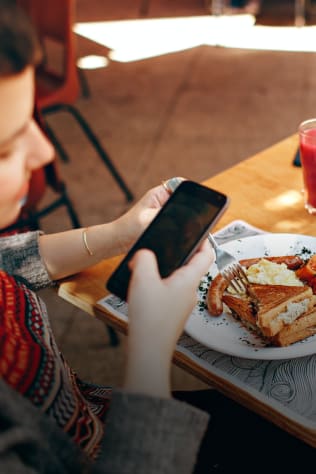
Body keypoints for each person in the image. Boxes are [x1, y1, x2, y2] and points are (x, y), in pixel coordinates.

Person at [0, 2, 213, 472]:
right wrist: (153, 345)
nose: (45, 150)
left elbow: (3, 261)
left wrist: (117, 235)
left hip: (98, 411)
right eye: (7, 147)